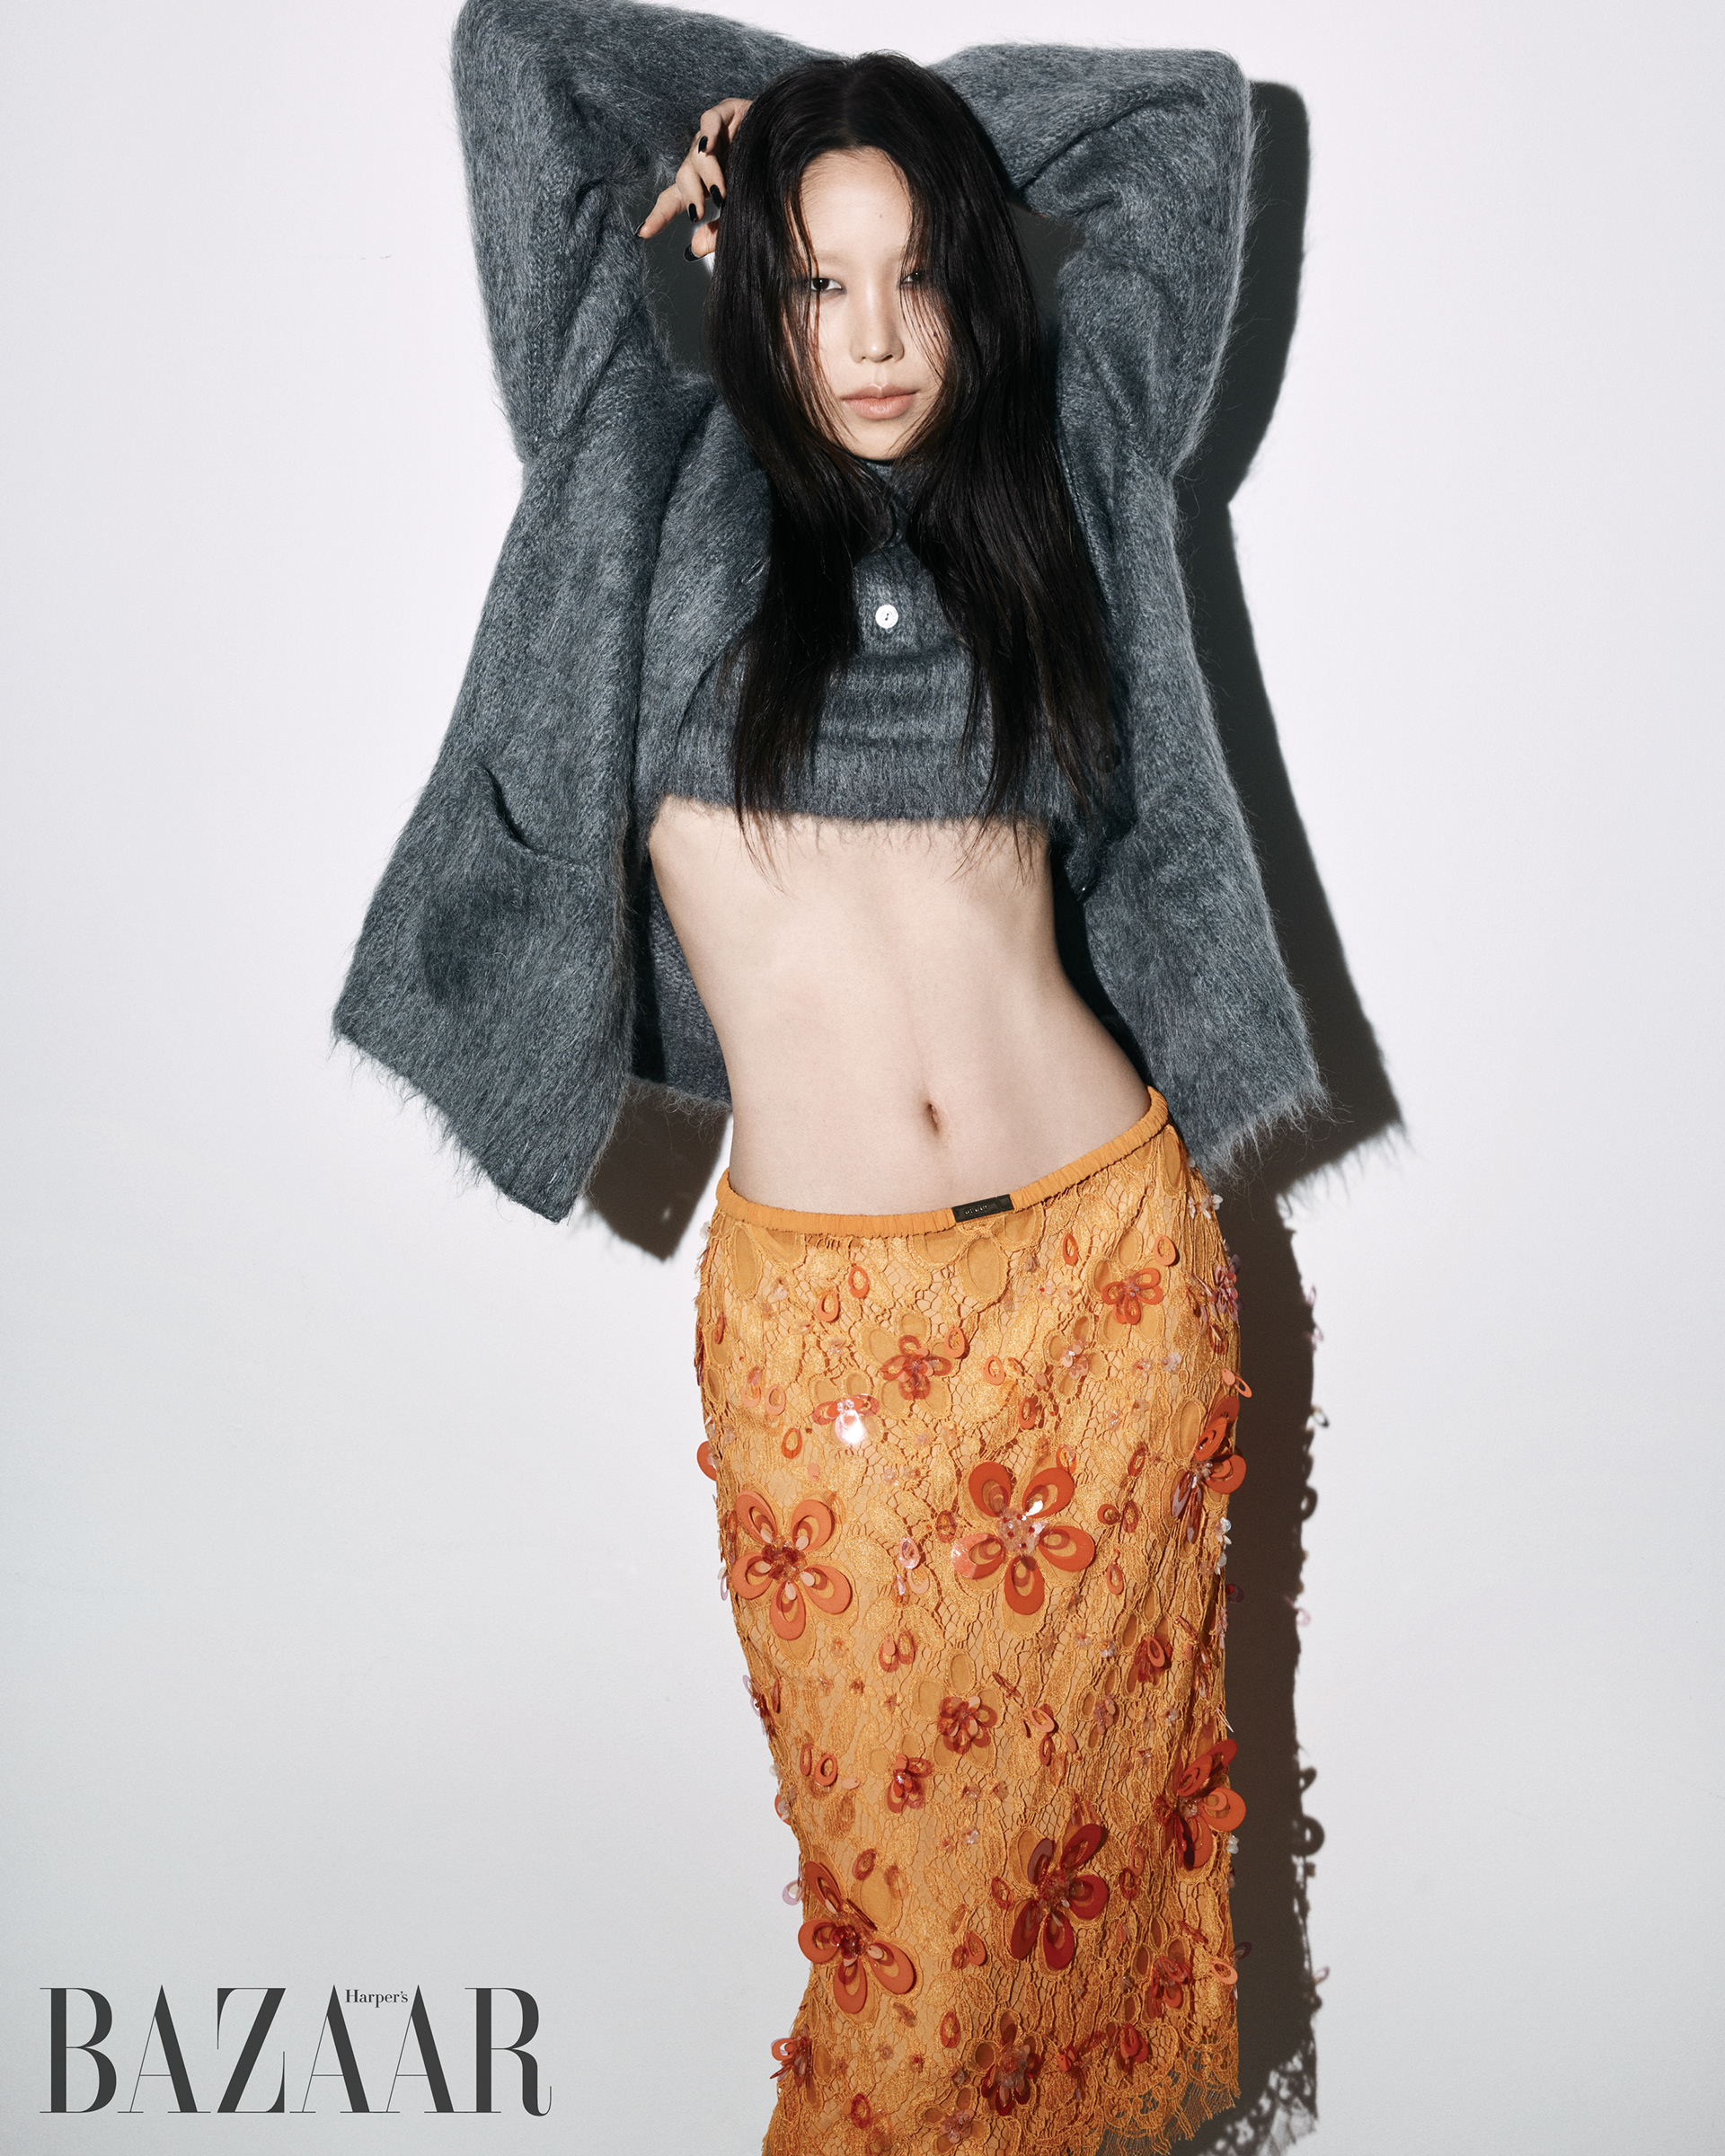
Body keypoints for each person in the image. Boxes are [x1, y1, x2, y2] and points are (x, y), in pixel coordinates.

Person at [335, 4, 1322, 2150]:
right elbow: (518, 51)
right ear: (746, 286)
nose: (872, 337)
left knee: (1094, 1922)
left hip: (1110, 1288)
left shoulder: (1062, 462)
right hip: (834, 1336)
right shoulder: (634, 448)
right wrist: (767, 127)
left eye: (917, 275)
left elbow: (1189, 124)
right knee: (915, 1962)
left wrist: (904, 134)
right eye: (814, 281)